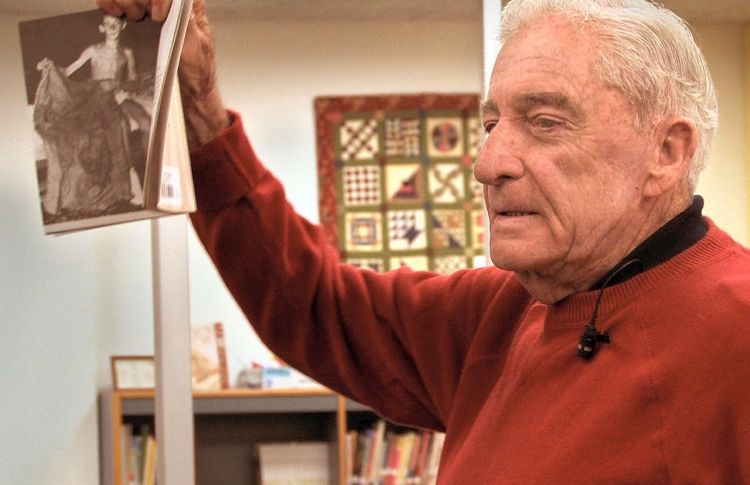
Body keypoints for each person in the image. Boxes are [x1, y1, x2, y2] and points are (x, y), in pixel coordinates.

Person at [97, 0, 750, 482]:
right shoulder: (496, 313)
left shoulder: (735, 333)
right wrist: (201, 111)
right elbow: (313, 303)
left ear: (667, 151)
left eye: (545, 122)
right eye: (492, 122)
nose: (487, 161)